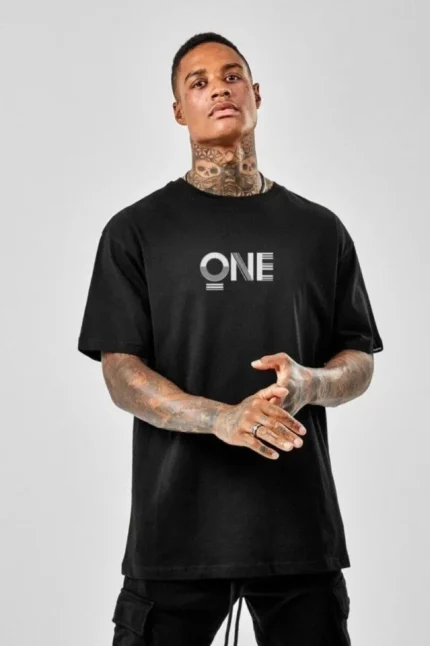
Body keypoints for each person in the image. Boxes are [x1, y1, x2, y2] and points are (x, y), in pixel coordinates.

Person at [77, 31, 384, 646]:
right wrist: (222, 418)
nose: (219, 88)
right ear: (178, 110)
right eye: (199, 82)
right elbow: (121, 374)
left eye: (232, 75)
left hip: (297, 535)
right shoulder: (136, 231)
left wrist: (310, 382)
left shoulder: (319, 230)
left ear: (256, 94)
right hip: (176, 536)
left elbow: (358, 357)